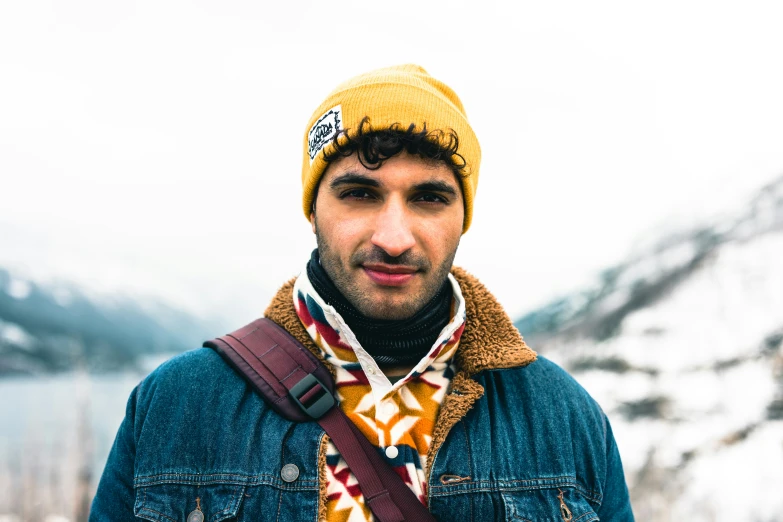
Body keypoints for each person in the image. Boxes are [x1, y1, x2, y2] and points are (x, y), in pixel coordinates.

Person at [90, 64, 635, 521]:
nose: (394, 239)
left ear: (463, 217)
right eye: (359, 193)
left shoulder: (565, 418)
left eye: (428, 198)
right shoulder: (177, 405)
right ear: (313, 209)